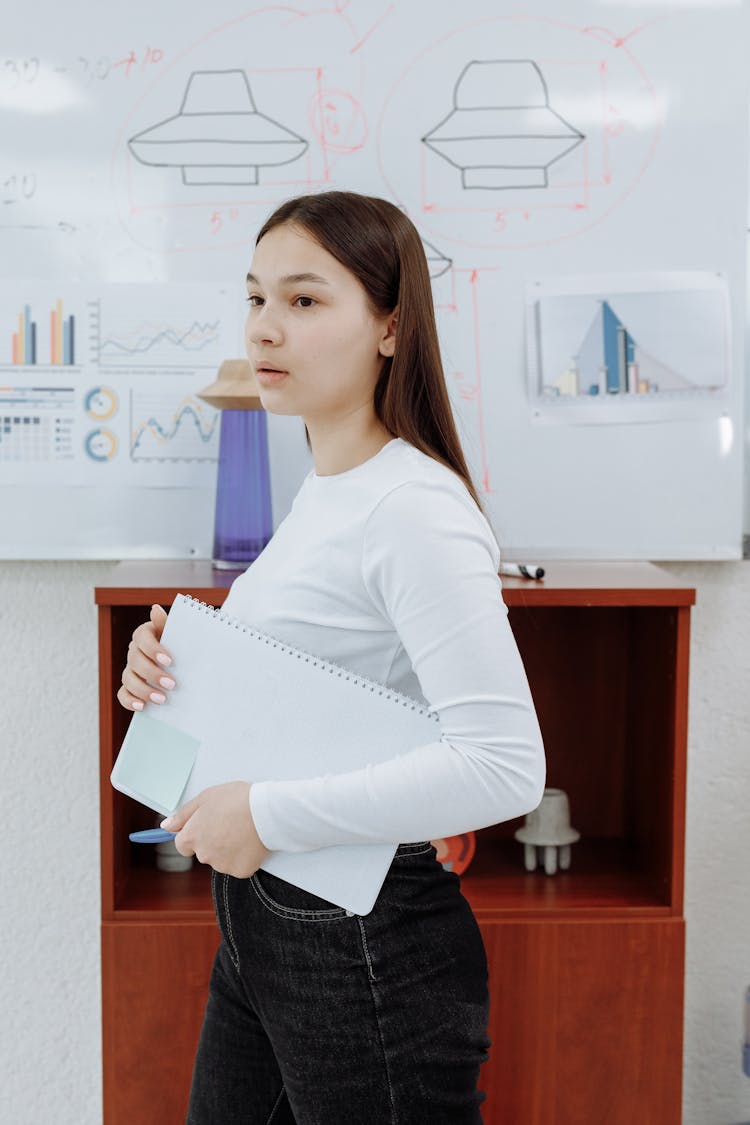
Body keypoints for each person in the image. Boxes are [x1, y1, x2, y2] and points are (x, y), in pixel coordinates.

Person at [117, 190, 546, 1124]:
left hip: (363, 942)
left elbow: (505, 764)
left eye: (306, 301)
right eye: (257, 297)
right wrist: (169, 670)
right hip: (270, 928)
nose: (267, 328)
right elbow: (322, 692)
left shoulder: (412, 509)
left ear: (391, 326)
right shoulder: (329, 488)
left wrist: (265, 814)